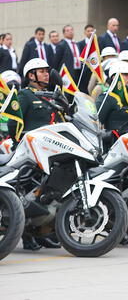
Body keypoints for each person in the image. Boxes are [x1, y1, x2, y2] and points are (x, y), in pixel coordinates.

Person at [18, 58, 64, 250]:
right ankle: (27, 236)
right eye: (42, 71)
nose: (46, 74)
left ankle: (44, 232)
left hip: (50, 152)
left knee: (47, 194)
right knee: (28, 195)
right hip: (31, 153)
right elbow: (16, 123)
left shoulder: (49, 96)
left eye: (47, 71)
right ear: (31, 75)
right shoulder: (25, 95)